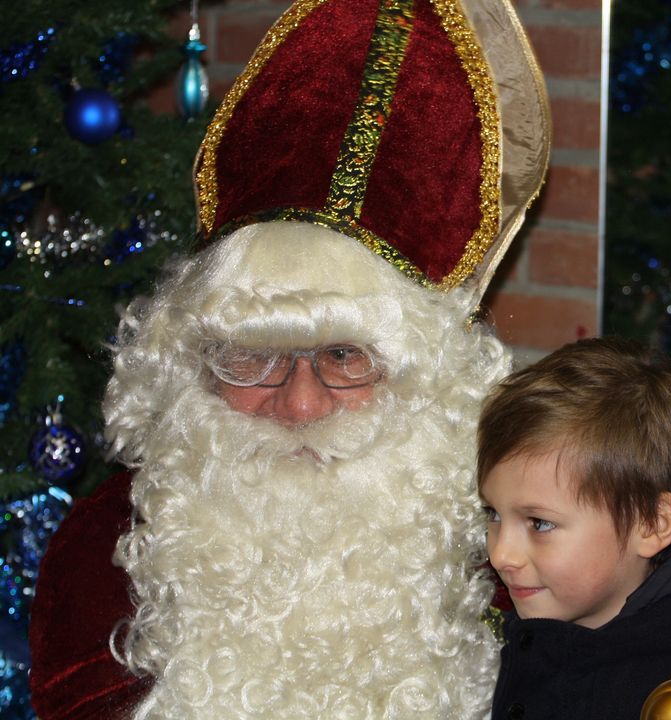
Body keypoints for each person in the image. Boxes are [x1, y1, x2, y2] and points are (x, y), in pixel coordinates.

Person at [28, 1, 551, 718]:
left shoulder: (512, 564)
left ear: (427, 375)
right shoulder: (104, 557)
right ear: (190, 366)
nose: (301, 405)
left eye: (345, 356)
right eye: (253, 358)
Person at [476, 336, 671, 720]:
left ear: (651, 524)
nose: (501, 555)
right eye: (493, 513)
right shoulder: (504, 618)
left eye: (540, 523)